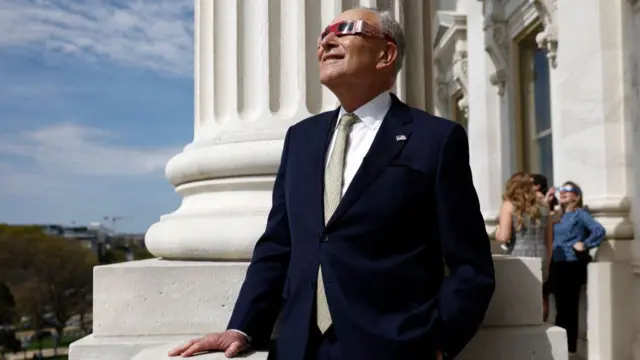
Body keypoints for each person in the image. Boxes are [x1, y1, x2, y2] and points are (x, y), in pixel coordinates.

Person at [169, 7, 494, 360]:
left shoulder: (436, 139)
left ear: (385, 54)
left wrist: (439, 341)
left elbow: (471, 263)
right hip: (299, 348)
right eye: (324, 33)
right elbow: (278, 245)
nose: (326, 40)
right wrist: (241, 327)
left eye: (345, 29)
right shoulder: (301, 139)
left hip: (394, 347)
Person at [550, 181, 605, 355]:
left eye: (568, 190)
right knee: (559, 308)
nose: (563, 193)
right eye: (561, 190)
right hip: (556, 264)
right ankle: (559, 349)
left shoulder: (580, 214)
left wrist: (585, 244)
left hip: (572, 264)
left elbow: (599, 230)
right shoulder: (557, 215)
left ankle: (570, 349)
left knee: (570, 308)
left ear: (577, 195)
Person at [495, 172, 553, 320]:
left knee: (519, 296)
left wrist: (497, 230)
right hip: (541, 253)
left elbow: (503, 237)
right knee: (539, 294)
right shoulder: (544, 206)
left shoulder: (509, 205)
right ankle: (540, 324)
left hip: (519, 254)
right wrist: (549, 260)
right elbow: (549, 239)